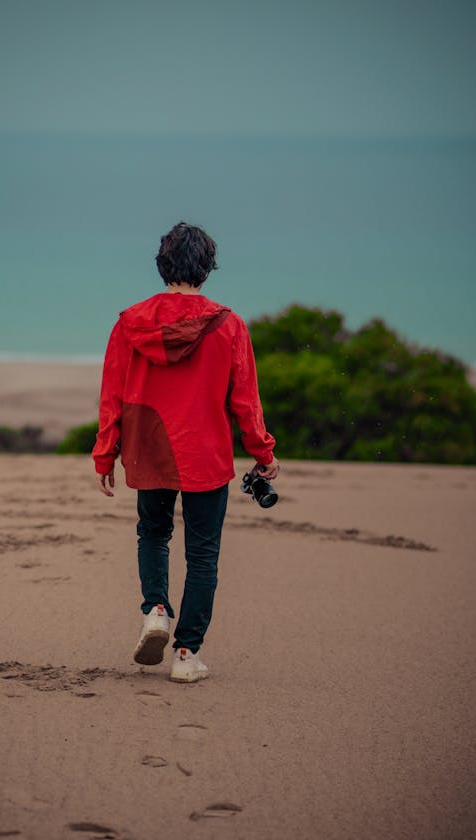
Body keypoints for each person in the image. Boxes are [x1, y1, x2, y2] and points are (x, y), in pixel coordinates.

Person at [92, 222, 279, 683]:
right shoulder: (229, 325)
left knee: (153, 535)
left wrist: (104, 453)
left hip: (148, 446)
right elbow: (244, 402)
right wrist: (264, 453)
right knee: (203, 555)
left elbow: (111, 393)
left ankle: (155, 609)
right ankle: (185, 655)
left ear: (163, 265)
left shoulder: (130, 321)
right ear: (207, 268)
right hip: (203, 454)